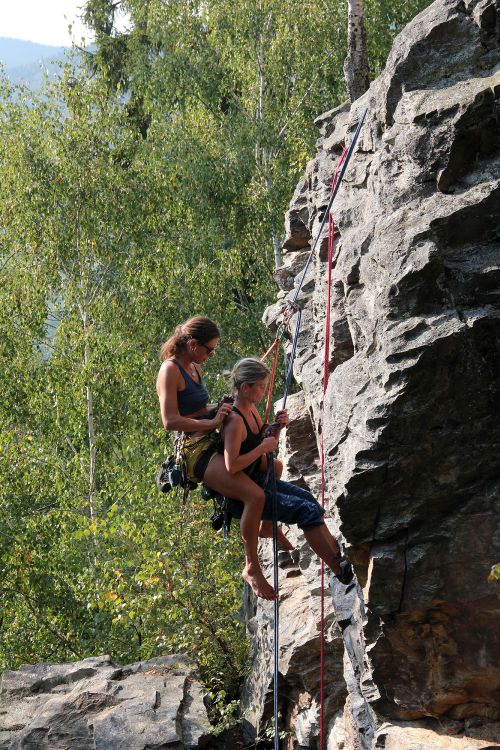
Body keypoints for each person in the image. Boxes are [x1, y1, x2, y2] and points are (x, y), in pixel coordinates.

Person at [156, 316, 281, 601]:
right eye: (208, 350)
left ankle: (265, 526)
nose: (211, 356)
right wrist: (211, 423)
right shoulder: (170, 371)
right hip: (194, 451)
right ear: (191, 344)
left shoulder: (193, 366)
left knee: (273, 467)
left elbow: (197, 408)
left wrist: (217, 407)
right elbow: (170, 420)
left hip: (208, 436)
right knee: (255, 496)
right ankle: (251, 568)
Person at [220, 357, 353, 587]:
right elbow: (231, 466)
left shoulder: (250, 410)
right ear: (245, 387)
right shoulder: (234, 420)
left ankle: (336, 555)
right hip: (243, 495)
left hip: (259, 480)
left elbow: (264, 443)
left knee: (308, 500)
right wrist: (263, 447)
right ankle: (337, 566)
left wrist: (277, 428)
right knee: (304, 510)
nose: (264, 391)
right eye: (260, 386)